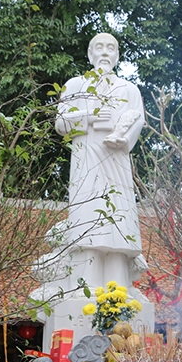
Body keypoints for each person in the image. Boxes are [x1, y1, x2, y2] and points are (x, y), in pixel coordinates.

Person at [54, 33, 146, 287]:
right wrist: (90, 116)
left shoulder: (129, 89)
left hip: (116, 163)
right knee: (87, 220)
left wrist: (124, 139)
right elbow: (61, 123)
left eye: (111, 48)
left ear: (117, 56)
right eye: (99, 47)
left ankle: (117, 291)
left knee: (118, 222)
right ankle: (85, 287)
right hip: (86, 164)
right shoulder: (75, 86)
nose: (105, 52)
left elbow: (138, 120)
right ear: (90, 53)